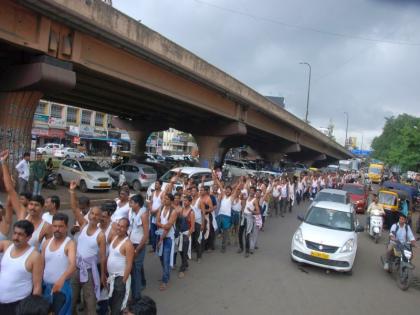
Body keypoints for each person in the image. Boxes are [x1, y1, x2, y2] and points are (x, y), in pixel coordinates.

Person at [69, 181, 107, 315]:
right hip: (76, 268)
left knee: (90, 303)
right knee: (71, 300)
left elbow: (102, 258)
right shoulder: (83, 225)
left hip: (90, 272)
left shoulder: (100, 235)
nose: (94, 216)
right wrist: (72, 192)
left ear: (100, 218)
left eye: (97, 215)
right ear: (89, 215)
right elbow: (74, 209)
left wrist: (102, 275)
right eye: (92, 213)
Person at [0, 220, 43, 314]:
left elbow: (37, 286)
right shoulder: (6, 245)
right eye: (14, 233)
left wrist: (33, 309)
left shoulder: (34, 256)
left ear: (29, 237)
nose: (15, 237)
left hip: (18, 306)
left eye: (20, 234)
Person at [41, 213, 76, 315]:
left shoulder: (70, 244)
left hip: (62, 288)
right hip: (46, 287)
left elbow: (72, 265)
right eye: (55, 226)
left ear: (66, 227)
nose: (57, 229)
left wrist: (61, 280)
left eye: (61, 226)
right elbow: (41, 265)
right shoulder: (46, 243)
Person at [107, 218, 134, 315]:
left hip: (120, 278)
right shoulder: (114, 237)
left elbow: (129, 264)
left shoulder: (128, 244)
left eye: (123, 226)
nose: (119, 228)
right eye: (119, 225)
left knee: (118, 306)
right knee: (111, 302)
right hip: (111, 277)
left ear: (127, 229)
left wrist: (123, 280)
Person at [128, 194, 149, 302]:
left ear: (137, 204)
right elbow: (131, 228)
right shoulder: (133, 213)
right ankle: (140, 286)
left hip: (139, 245)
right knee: (135, 268)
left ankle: (136, 297)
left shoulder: (143, 215)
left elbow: (145, 235)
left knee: (136, 270)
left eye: (131, 202)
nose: (130, 204)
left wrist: (137, 249)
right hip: (132, 244)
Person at [156, 193, 178, 290]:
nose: (164, 200)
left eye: (167, 199)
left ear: (171, 201)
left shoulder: (174, 212)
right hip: (160, 235)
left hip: (168, 238)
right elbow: (156, 221)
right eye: (164, 198)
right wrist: (163, 226)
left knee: (166, 259)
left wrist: (161, 239)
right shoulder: (161, 208)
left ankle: (165, 280)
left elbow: (168, 227)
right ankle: (166, 273)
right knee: (161, 257)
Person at [176, 195, 195, 279]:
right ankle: (185, 263)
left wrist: (187, 236)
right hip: (180, 233)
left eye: (186, 201)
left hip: (186, 234)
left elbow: (192, 227)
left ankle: (182, 269)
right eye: (184, 200)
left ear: (190, 202)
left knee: (184, 252)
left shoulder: (191, 212)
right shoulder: (182, 210)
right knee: (180, 251)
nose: (185, 202)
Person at [238, 187, 260, 258]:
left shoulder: (255, 200)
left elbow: (258, 211)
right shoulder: (246, 198)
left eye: (252, 191)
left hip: (249, 217)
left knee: (247, 235)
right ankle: (241, 248)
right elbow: (241, 199)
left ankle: (247, 251)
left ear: (254, 192)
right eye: (250, 190)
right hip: (244, 216)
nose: (251, 192)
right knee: (240, 233)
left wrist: (251, 211)